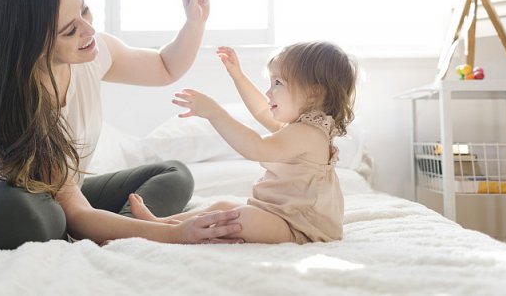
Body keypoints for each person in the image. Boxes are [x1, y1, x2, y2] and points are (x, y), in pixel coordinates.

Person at [0, 0, 243, 251]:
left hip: (59, 198)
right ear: (31, 45)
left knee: (172, 173)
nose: (88, 30)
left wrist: (194, 21)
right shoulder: (1, 100)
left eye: (84, 11)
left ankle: (120, 233)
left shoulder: (92, 52)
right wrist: (174, 235)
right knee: (32, 211)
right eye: (70, 30)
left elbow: (163, 67)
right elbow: (74, 211)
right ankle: (119, 231)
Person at [128, 42, 357, 244]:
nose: (268, 92)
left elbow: (257, 147)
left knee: (239, 217)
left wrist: (215, 113)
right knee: (223, 207)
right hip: (280, 214)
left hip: (301, 226)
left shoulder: (308, 133)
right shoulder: (298, 128)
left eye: (278, 83)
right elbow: (260, 110)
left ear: (314, 93)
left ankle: (165, 231)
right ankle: (161, 224)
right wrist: (238, 76)